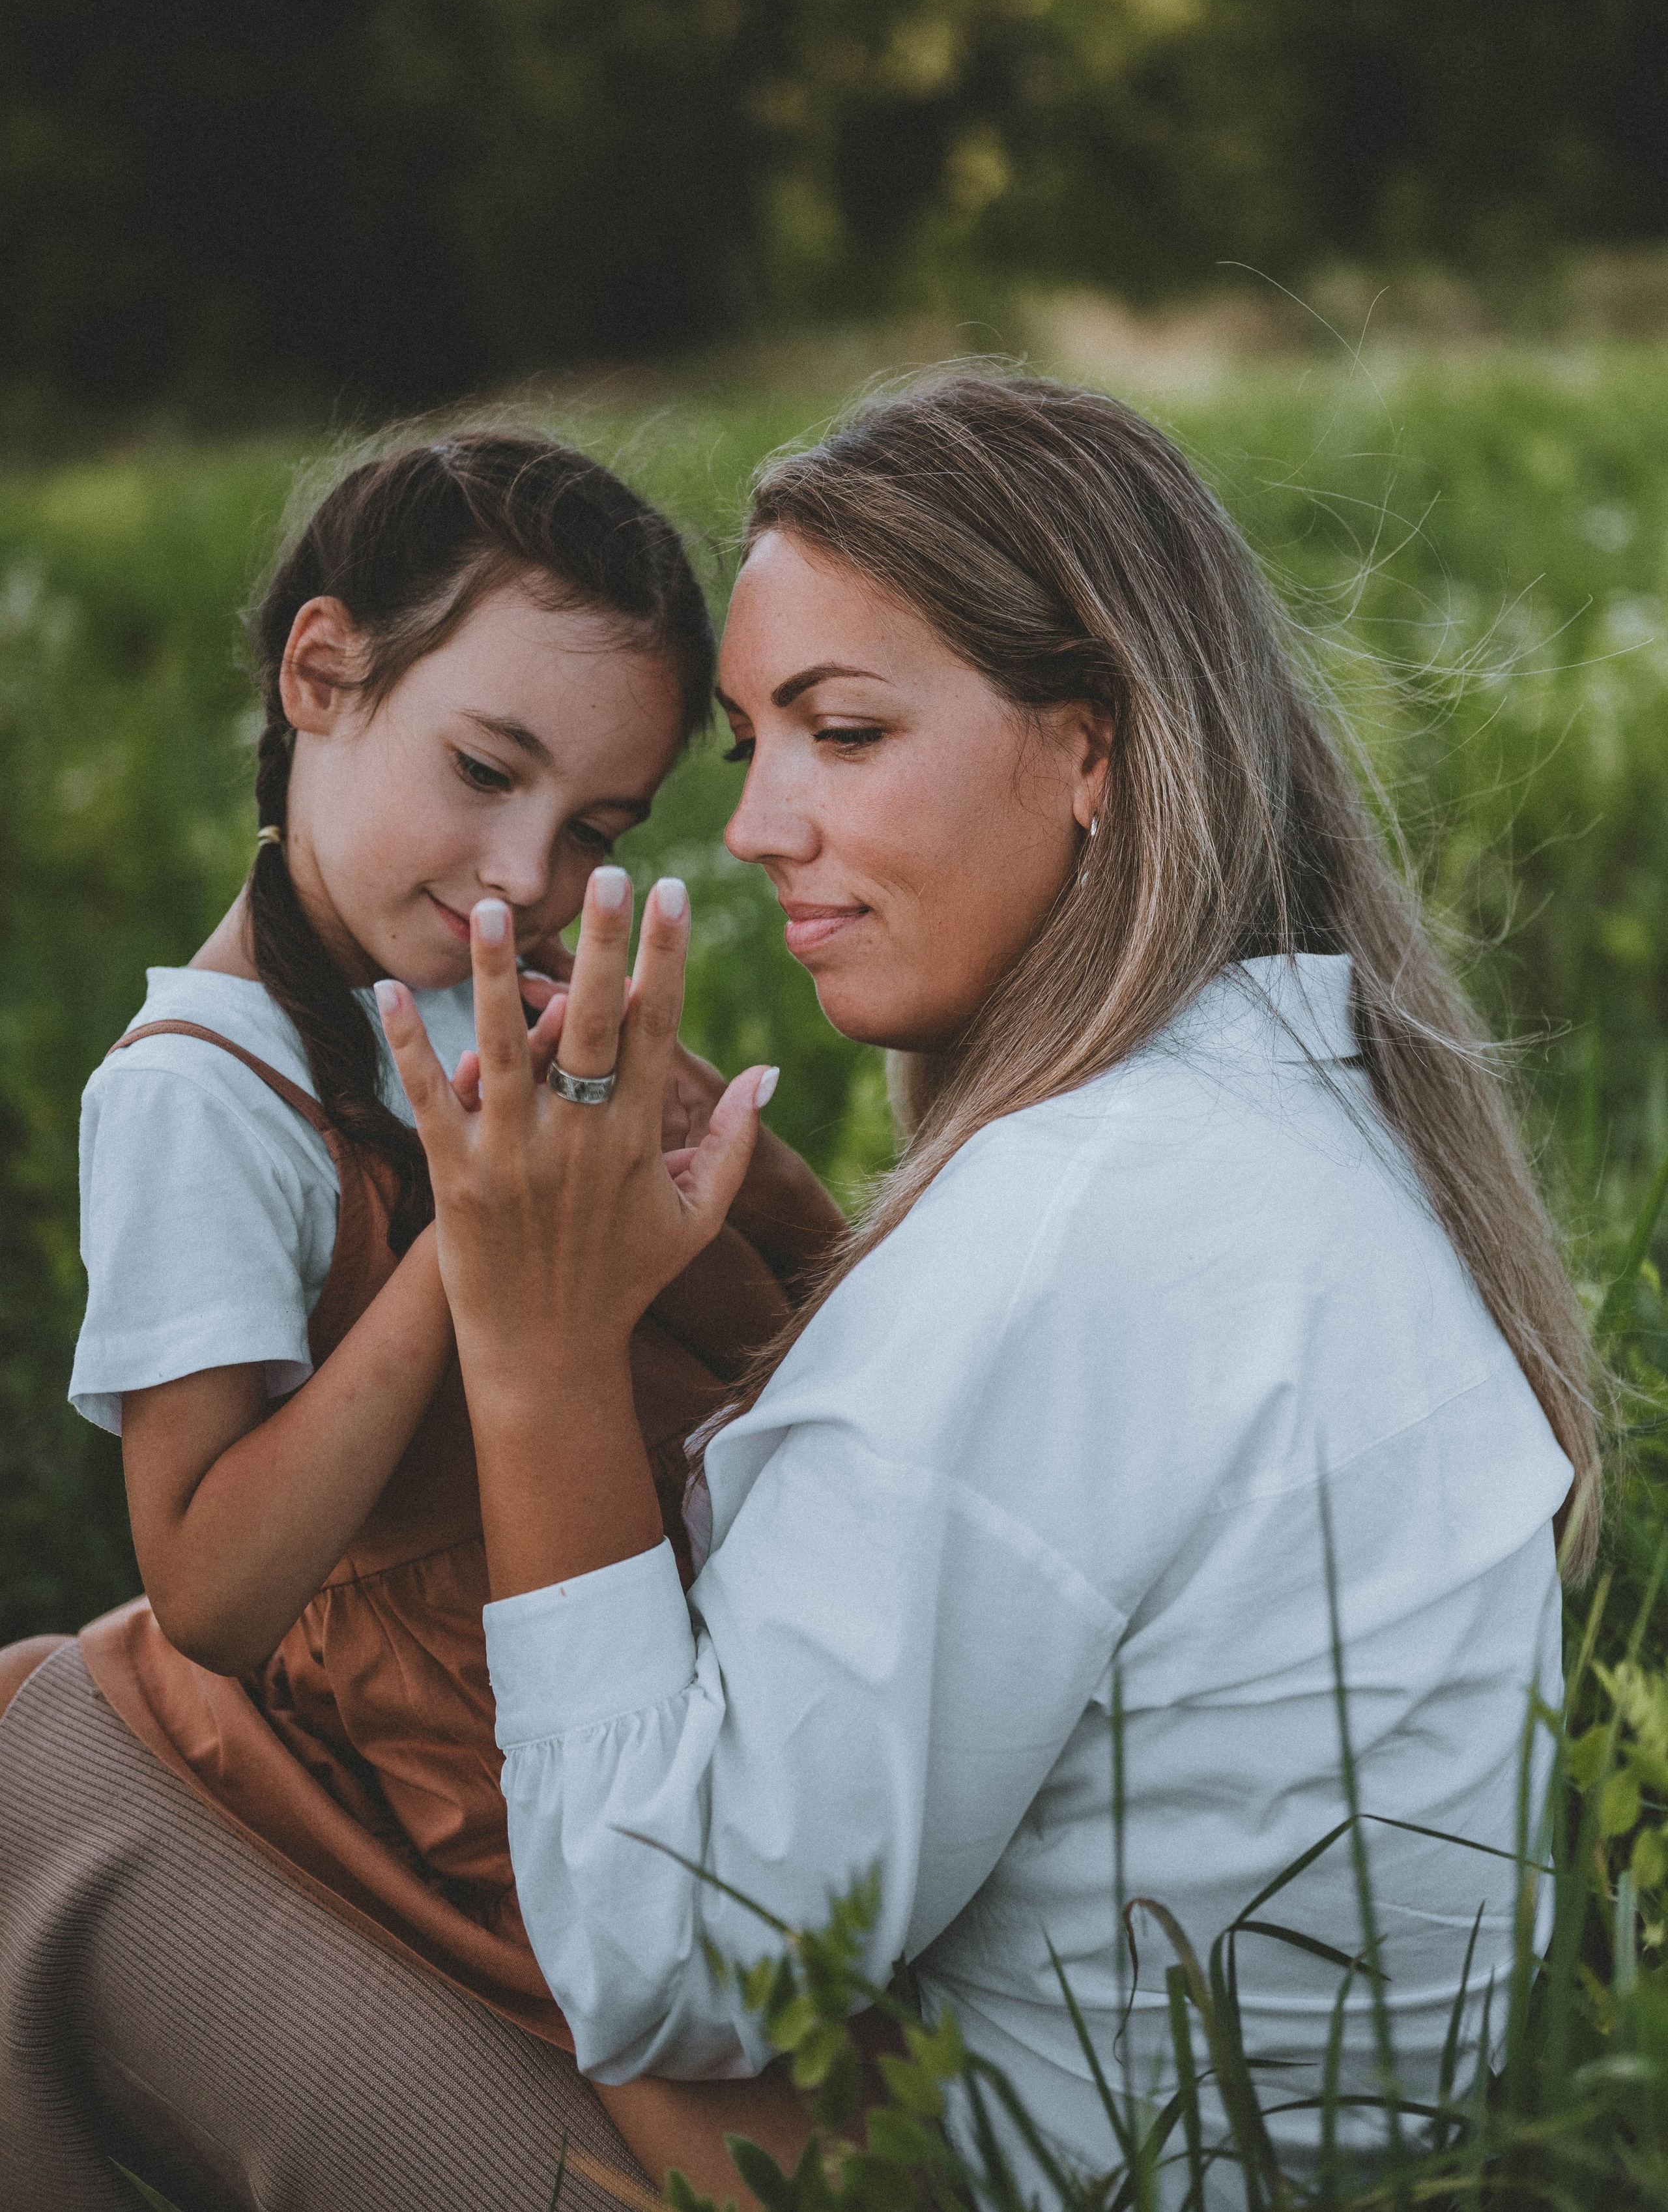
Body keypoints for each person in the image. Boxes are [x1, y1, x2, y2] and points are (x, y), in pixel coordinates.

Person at [375, 375, 1603, 2201]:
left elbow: (662, 1961)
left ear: (1093, 749)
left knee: (79, 1773)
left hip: (1018, 2172)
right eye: (750, 747)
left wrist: (534, 1346)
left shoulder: (1065, 1230)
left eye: (844, 732)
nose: (758, 826)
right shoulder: (1293, 1110)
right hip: (1235, 2151)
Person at [0, 428, 839, 2209]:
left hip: (678, 1681)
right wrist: (476, 1247)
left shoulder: (489, 987)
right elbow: (210, 1584)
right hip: (461, 1765)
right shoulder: (200, 1096)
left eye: (594, 828)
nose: (522, 871)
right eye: (483, 769)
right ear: (322, 675)